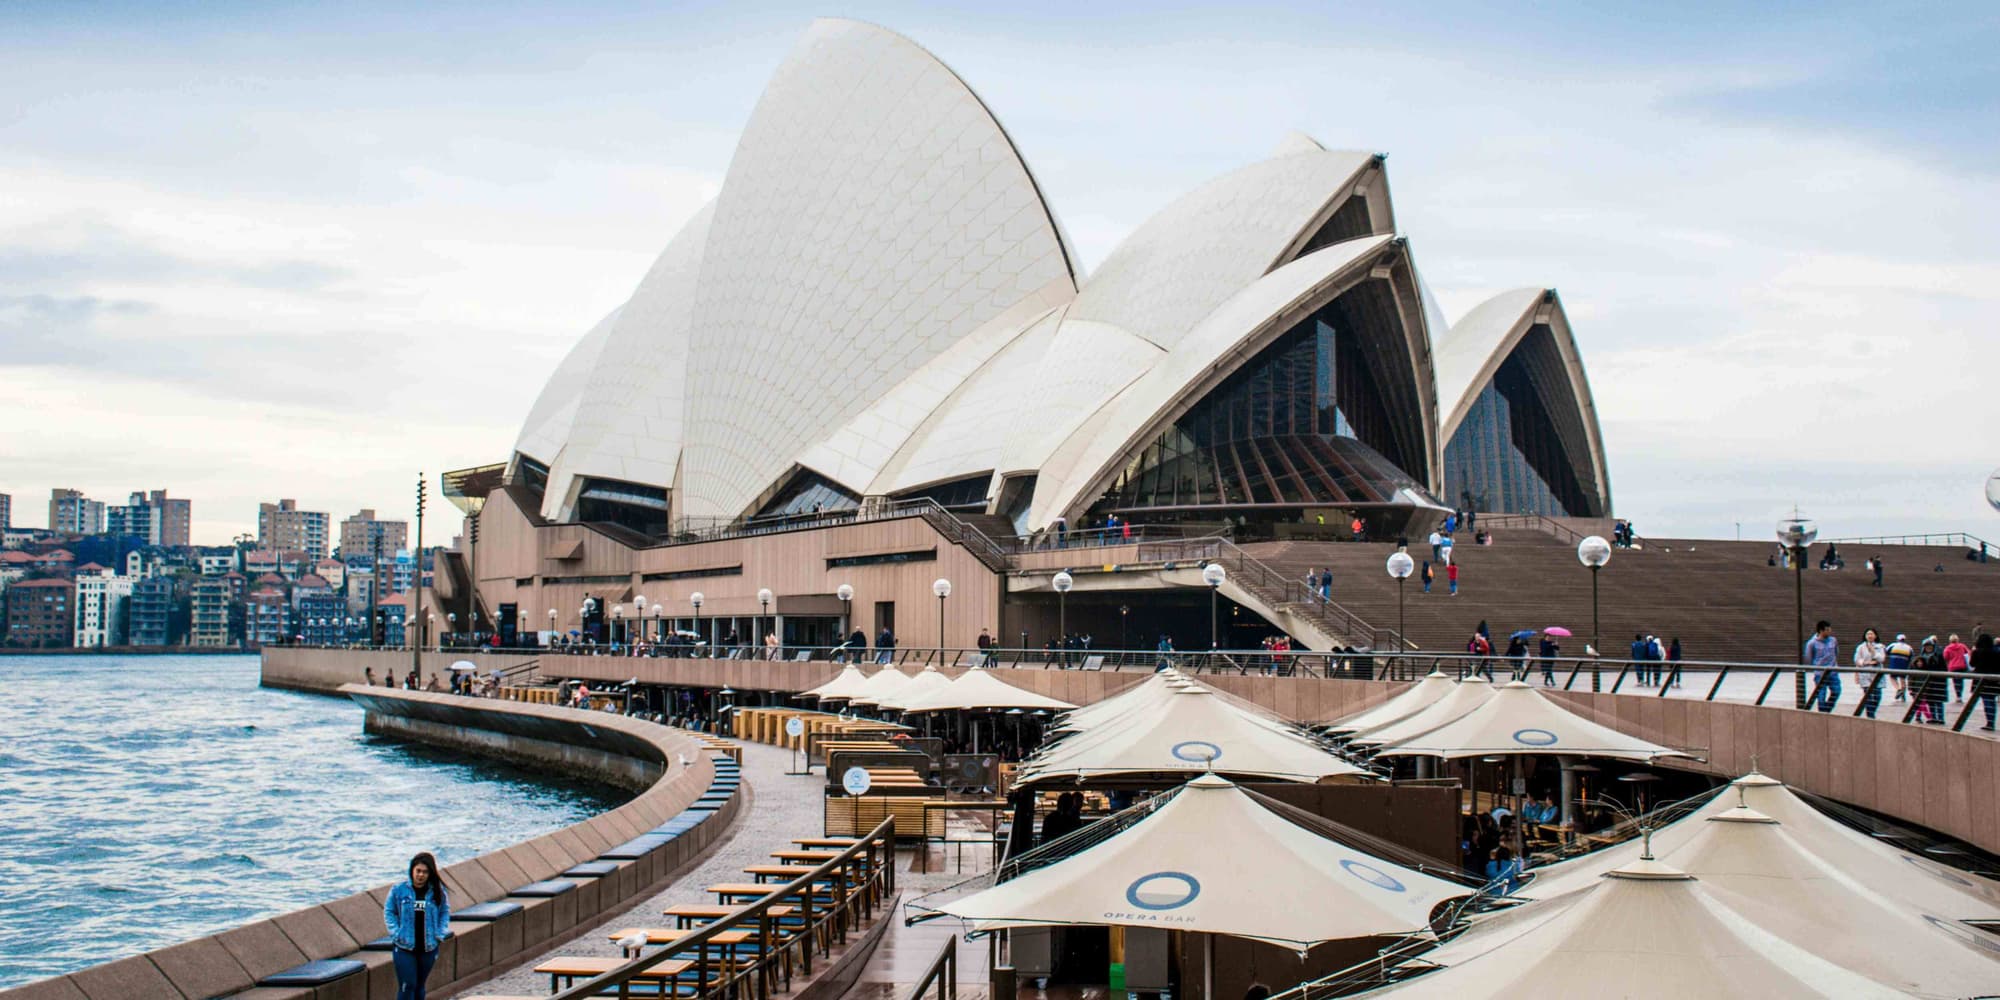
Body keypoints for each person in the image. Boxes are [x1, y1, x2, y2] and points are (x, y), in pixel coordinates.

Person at [385, 851, 451, 1000]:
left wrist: (439, 934)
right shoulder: (398, 890)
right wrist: (396, 933)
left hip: (428, 947)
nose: (420, 875)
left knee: (419, 986)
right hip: (404, 947)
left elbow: (444, 913)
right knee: (407, 985)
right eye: (418, 871)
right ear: (412, 870)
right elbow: (389, 912)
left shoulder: (437, 892)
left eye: (425, 872)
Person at [1805, 620, 1840, 712]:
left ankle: (1827, 710)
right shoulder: (1811, 643)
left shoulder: (1833, 640)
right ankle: (1822, 714)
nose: (1830, 632)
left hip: (1833, 672)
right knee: (1821, 696)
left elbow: (1836, 653)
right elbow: (1808, 658)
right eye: (1827, 630)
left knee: (1836, 691)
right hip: (1820, 674)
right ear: (1821, 631)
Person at [1852, 628, 1886, 719]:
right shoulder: (1861, 647)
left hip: (1877, 674)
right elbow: (1856, 660)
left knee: (1877, 695)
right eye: (1868, 634)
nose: (1870, 636)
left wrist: (1873, 652)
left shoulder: (1880, 647)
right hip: (1865, 674)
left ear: (1875, 636)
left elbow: (1882, 659)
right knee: (1868, 695)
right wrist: (1865, 663)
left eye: (1872, 634)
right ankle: (1870, 715)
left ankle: (1871, 712)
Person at [1914, 637, 1949, 725]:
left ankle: (1940, 718)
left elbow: (1944, 668)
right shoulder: (1922, 656)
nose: (1928, 648)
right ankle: (1933, 717)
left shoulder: (1938, 655)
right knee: (1930, 700)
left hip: (1938, 681)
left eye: (1929, 646)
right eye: (1926, 646)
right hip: (1927, 682)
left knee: (1938, 700)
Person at [1970, 634, 1999, 731]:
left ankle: (1989, 722)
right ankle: (1992, 721)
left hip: (1981, 680)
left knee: (1986, 700)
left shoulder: (1977, 652)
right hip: (1994, 680)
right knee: (1992, 700)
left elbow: (1972, 664)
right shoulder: (1996, 652)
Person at [1885, 632, 1915, 704]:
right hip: (1904, 666)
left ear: (1897, 639)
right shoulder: (1909, 648)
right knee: (1902, 680)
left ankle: (1898, 689)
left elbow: (1886, 652)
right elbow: (1912, 657)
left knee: (1892, 678)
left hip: (1894, 665)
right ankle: (1903, 695)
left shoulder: (1893, 645)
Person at [1943, 634, 1971, 701]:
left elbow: (1945, 657)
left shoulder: (1948, 648)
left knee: (1955, 681)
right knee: (1961, 681)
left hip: (1953, 667)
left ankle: (1958, 695)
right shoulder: (1962, 646)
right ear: (1957, 639)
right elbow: (1969, 653)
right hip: (1962, 666)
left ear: (1950, 640)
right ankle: (1960, 695)